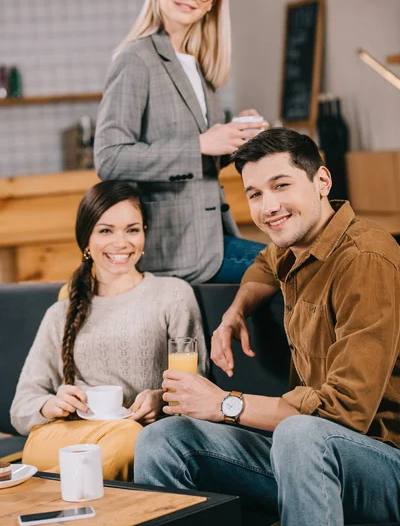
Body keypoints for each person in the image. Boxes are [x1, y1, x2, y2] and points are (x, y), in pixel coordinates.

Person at [133, 129, 400, 525]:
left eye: (281, 185)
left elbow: (344, 413)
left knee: (299, 433)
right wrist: (235, 312)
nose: (268, 206)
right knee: (164, 438)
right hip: (309, 454)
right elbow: (264, 263)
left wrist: (225, 404)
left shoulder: (366, 259)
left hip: (383, 462)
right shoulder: (297, 244)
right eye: (255, 194)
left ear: (322, 181)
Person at [94, 0, 266, 284]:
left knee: (302, 269)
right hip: (172, 248)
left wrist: (236, 137)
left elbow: (202, 156)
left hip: (213, 238)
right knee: (297, 271)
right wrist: (200, 144)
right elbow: (109, 158)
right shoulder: (136, 58)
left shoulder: (198, 66)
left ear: (212, 2)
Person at [11, 180, 208, 481]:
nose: (121, 242)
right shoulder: (60, 313)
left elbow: (197, 386)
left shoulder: (173, 295)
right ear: (86, 241)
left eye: (132, 229)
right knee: (126, 440)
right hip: (62, 438)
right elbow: (21, 407)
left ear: (144, 234)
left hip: (133, 440)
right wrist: (51, 404)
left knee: (132, 438)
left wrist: (162, 400)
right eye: (106, 230)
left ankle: (41, 495)